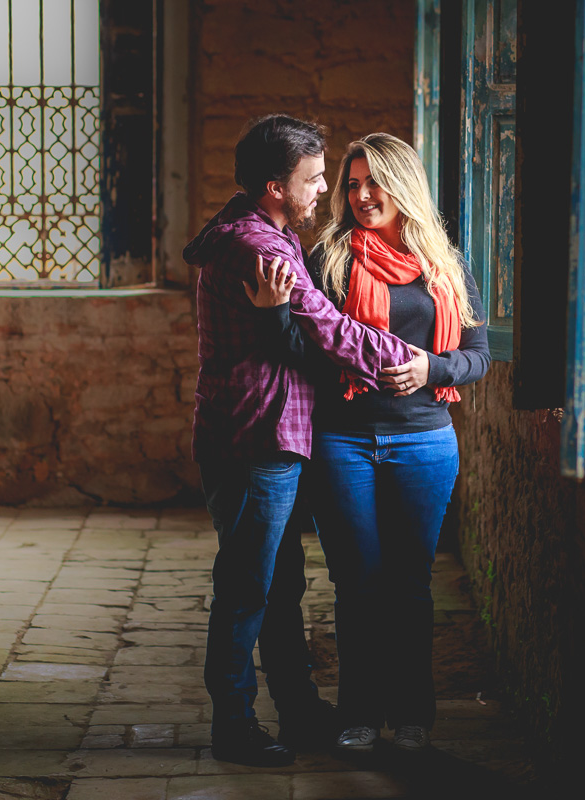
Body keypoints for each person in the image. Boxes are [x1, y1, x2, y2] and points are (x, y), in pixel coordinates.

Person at [181, 115, 416, 767]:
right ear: (274, 186)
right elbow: (330, 332)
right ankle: (234, 724)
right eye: (313, 179)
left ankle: (300, 710)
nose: (325, 190)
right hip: (258, 437)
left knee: (278, 584)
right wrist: (420, 359)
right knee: (248, 587)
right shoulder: (259, 247)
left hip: (258, 434)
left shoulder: (257, 229)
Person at [261, 132, 490, 754]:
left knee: (412, 584)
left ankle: (413, 713)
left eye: (374, 182)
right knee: (357, 583)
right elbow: (300, 350)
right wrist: (273, 311)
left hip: (424, 441)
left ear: (403, 185)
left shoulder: (445, 263)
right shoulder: (328, 260)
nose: (362, 195)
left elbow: (476, 357)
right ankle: (359, 711)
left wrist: (429, 370)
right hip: (345, 442)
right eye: (352, 184)